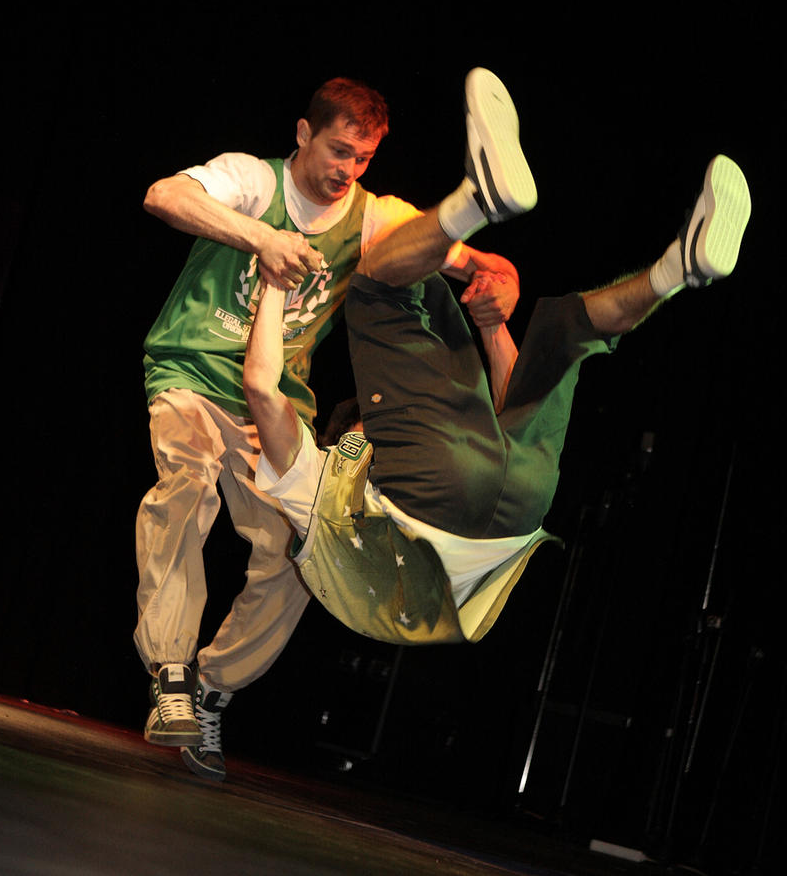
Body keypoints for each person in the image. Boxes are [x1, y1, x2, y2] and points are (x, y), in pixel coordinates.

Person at [244, 68, 751, 650]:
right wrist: (275, 282)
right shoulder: (321, 475)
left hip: (519, 510)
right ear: (348, 435)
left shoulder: (326, 494)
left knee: (562, 333)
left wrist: (492, 326)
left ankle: (677, 271)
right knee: (375, 286)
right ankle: (477, 199)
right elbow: (262, 387)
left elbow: (514, 406)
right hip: (432, 505)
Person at [135, 74, 522, 780]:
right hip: (193, 375)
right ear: (303, 134)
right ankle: (170, 673)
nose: (348, 169)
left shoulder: (370, 215)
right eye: (339, 150)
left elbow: (474, 264)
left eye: (363, 158)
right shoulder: (254, 180)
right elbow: (163, 195)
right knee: (185, 487)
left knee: (303, 552)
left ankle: (211, 687)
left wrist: (497, 280)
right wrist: (262, 237)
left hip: (274, 405)